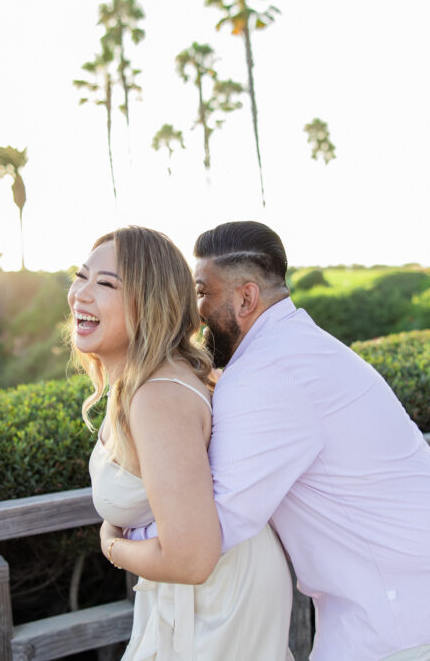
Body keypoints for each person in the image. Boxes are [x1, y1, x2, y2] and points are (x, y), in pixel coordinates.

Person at [118, 221, 430, 661]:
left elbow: (218, 523)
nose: (195, 309)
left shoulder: (267, 374)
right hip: (409, 561)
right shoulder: (292, 346)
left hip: (395, 582)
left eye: (203, 291)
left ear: (246, 298)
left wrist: (123, 537)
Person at [69, 226, 293, 660]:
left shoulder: (158, 397)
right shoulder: (145, 383)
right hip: (196, 594)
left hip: (217, 603)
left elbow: (191, 559)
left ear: (149, 301)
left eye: (106, 284)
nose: (81, 294)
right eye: (81, 277)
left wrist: (111, 546)